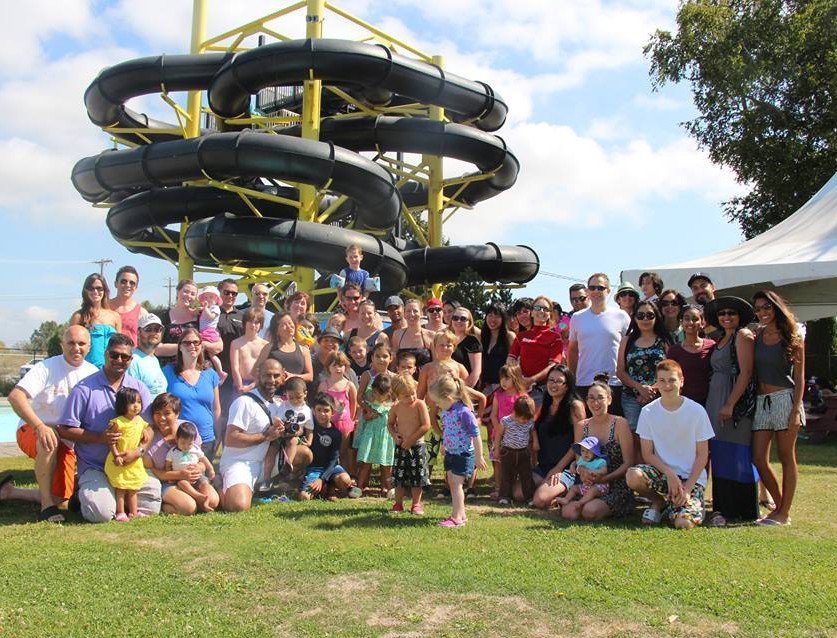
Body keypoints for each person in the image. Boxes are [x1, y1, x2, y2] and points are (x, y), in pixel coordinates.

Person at [57, 333, 160, 523]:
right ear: (106, 354)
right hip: (96, 466)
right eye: (114, 355)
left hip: (130, 466)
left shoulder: (139, 388)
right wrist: (100, 438)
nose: (119, 360)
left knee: (152, 506)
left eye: (125, 357)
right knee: (101, 513)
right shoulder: (85, 389)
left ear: (131, 359)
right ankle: (85, 495)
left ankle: (115, 498)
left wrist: (140, 451)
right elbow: (64, 429)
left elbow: (150, 427)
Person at [4, 326, 97, 522]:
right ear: (62, 344)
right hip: (33, 430)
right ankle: (46, 506)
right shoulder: (46, 368)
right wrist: (40, 426)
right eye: (71, 343)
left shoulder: (93, 373)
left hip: (67, 439)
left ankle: (9, 492)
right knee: (50, 437)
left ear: (89, 347)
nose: (76, 348)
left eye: (81, 344)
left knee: (61, 498)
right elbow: (16, 396)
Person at [627, 359, 714, 530]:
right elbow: (647, 454)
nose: (667, 385)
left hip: (691, 479)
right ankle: (659, 502)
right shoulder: (648, 412)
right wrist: (669, 473)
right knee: (633, 476)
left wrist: (687, 489)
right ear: (656, 383)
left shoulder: (697, 411)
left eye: (672, 380)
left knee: (683, 524)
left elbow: (703, 455)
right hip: (663, 475)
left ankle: (684, 505)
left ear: (681, 381)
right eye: (662, 381)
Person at [219, 359, 311, 512]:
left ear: (283, 377)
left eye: (276, 376)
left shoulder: (280, 404)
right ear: (258, 374)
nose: (272, 380)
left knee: (305, 454)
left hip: (266, 463)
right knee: (238, 506)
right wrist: (265, 436)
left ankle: (270, 487)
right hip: (241, 463)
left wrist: (290, 432)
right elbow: (230, 439)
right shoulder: (244, 402)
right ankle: (219, 484)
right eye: (267, 375)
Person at [751, 290, 805, 526]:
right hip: (762, 402)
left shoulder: (792, 336)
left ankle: (783, 512)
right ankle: (780, 506)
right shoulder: (757, 335)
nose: (762, 312)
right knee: (758, 458)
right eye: (758, 309)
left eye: (766, 307)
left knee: (786, 457)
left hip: (786, 399)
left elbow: (801, 378)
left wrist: (795, 410)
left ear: (776, 308)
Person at [703, 296, 759, 525]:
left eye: (731, 313)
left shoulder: (743, 336)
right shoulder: (720, 338)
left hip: (734, 403)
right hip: (714, 400)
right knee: (720, 454)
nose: (726, 317)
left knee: (738, 454)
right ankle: (723, 507)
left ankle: (744, 509)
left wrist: (730, 404)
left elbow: (746, 373)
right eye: (722, 314)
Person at [555, 381, 635, 522]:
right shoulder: (581, 426)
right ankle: (585, 503)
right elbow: (579, 460)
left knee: (589, 511)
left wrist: (603, 479)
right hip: (588, 484)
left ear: (609, 400)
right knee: (568, 513)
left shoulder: (620, 424)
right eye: (591, 398)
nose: (595, 402)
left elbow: (628, 463)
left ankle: (600, 506)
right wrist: (579, 470)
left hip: (615, 485)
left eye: (600, 397)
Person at [143, 393, 219, 515]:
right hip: (168, 482)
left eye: (167, 413)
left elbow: (200, 458)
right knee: (189, 507)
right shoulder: (150, 437)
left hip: (194, 479)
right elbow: (154, 472)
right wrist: (180, 475)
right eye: (157, 413)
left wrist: (199, 468)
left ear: (177, 414)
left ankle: (194, 499)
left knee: (213, 501)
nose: (161, 418)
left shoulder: (188, 429)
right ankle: (165, 506)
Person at [428, 375, 486, 528]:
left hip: (463, 454)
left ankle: (457, 517)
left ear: (447, 397)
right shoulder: (447, 411)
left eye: (438, 402)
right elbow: (448, 430)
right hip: (451, 452)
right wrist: (444, 444)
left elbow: (476, 435)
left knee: (456, 485)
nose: (437, 406)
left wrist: (479, 457)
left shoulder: (464, 412)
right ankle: (461, 515)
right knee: (453, 483)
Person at [567, 273, 630, 410]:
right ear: (588, 291)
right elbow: (572, 350)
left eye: (600, 288)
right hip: (584, 382)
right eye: (592, 287)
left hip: (613, 383)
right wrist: (572, 379)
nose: (596, 291)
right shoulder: (577, 318)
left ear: (608, 290)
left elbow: (629, 349)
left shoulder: (621, 316)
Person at [530, 365, 586, 508]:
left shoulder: (575, 406)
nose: (553, 385)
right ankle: (554, 493)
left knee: (540, 500)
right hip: (543, 466)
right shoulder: (546, 404)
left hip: (566, 468)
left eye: (558, 381)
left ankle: (568, 493)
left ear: (567, 386)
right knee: (518, 493)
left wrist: (558, 468)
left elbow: (578, 444)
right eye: (550, 380)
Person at [162, 329, 221, 459]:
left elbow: (216, 409)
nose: (192, 346)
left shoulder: (210, 374)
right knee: (183, 478)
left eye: (196, 342)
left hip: (207, 439)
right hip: (180, 440)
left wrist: (219, 435)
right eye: (187, 343)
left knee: (204, 477)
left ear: (201, 346)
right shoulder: (168, 372)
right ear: (180, 347)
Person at [616, 300, 672, 432]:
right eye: (640, 316)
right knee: (635, 435)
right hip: (631, 398)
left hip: (660, 396)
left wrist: (651, 390)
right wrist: (640, 388)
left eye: (649, 315)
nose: (645, 319)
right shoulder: (627, 341)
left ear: (656, 317)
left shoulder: (664, 340)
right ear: (634, 318)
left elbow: (672, 369)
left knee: (659, 434)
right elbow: (620, 372)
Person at [298, 393, 362, 501]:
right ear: (313, 410)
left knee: (345, 481)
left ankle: (329, 487)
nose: (322, 414)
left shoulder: (336, 433)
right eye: (318, 410)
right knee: (304, 497)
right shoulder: (309, 428)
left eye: (326, 410)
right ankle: (327, 490)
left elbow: (333, 460)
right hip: (314, 469)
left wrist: (322, 479)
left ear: (333, 412)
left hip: (331, 468)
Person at [387, 373, 431, 514]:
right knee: (399, 476)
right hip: (401, 447)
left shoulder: (419, 404)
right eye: (406, 395)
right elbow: (390, 424)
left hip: (417, 446)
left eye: (413, 393)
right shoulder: (396, 407)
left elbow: (426, 425)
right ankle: (398, 504)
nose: (411, 397)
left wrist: (411, 440)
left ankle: (416, 504)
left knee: (417, 477)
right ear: (397, 395)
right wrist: (395, 435)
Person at [507, 295, 563, 405]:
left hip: (544, 389)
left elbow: (552, 366)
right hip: (521, 388)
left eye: (546, 309)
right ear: (532, 313)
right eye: (537, 308)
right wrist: (519, 378)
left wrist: (531, 380)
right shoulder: (521, 336)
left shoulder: (555, 337)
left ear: (550, 314)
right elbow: (510, 359)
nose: (541, 311)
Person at [104, 387, 149, 521]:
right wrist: (116, 455)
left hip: (134, 461)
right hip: (121, 461)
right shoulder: (118, 422)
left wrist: (144, 433)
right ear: (123, 405)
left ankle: (134, 512)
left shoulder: (140, 420)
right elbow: (111, 442)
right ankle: (120, 511)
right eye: (132, 403)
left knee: (133, 488)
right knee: (121, 488)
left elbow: (144, 429)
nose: (136, 406)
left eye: (139, 402)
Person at [489, 364, 528, 499]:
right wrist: (498, 428)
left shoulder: (522, 397)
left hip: (517, 436)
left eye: (507, 378)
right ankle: (499, 488)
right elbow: (493, 415)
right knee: (498, 462)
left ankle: (514, 487)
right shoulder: (498, 395)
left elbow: (526, 417)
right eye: (502, 378)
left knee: (516, 463)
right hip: (499, 435)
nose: (503, 382)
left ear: (515, 378)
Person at [70, 273, 122, 368]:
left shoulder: (115, 316)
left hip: (111, 370)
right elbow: (70, 347)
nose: (95, 291)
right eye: (91, 288)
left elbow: (120, 347)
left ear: (105, 290)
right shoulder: (78, 316)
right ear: (86, 291)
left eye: (99, 288)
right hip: (86, 371)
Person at [355, 373, 395, 496]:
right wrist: (369, 415)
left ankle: (388, 487)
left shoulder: (392, 407)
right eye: (375, 392)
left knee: (386, 465)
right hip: (370, 437)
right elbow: (365, 417)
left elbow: (395, 421)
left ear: (388, 393)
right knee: (366, 463)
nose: (376, 395)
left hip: (386, 438)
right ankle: (359, 487)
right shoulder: (370, 405)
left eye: (380, 393)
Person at [667, 305, 715, 405]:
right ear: (681, 322)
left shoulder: (712, 346)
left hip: (709, 401)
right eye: (687, 319)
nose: (690, 323)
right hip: (683, 402)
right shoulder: (674, 350)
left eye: (695, 319)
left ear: (702, 323)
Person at [156, 280, 213, 364]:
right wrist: (187, 347)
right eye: (186, 291)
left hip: (198, 367)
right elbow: (157, 349)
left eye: (193, 294)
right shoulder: (162, 318)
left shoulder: (202, 316)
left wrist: (204, 345)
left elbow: (219, 346)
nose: (189, 296)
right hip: (171, 369)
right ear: (177, 292)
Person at [318, 352, 358, 471]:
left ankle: (345, 474)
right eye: (334, 365)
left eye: (341, 365)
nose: (338, 368)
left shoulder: (349, 385)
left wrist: (351, 418)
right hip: (328, 423)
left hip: (343, 424)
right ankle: (327, 475)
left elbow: (353, 403)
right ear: (328, 367)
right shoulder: (324, 385)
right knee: (327, 450)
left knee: (343, 451)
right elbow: (319, 403)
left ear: (346, 366)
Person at [164, 421, 216, 512]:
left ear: (194, 441)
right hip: (181, 478)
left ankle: (205, 501)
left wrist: (211, 469)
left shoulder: (195, 449)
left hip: (197, 476)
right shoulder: (173, 452)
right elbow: (167, 465)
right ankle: (198, 496)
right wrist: (170, 476)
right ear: (177, 439)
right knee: (182, 483)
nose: (186, 446)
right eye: (183, 443)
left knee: (204, 482)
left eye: (189, 443)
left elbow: (204, 459)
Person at [255, 311, 314, 388]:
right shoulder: (269, 348)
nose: (289, 326)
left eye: (290, 323)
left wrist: (292, 376)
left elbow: (310, 376)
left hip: (296, 395)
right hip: (273, 394)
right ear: (277, 331)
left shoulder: (304, 350)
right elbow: (257, 370)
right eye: (283, 325)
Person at [496, 395, 537, 505]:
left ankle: (530, 497)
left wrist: (536, 443)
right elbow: (499, 435)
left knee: (526, 475)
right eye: (522, 418)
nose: (524, 421)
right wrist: (496, 450)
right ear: (515, 411)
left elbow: (533, 432)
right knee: (506, 475)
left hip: (523, 453)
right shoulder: (506, 421)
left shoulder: (529, 422)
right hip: (507, 452)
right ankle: (504, 496)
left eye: (526, 418)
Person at [555, 436, 610, 508]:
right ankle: (566, 499)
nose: (585, 453)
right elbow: (575, 463)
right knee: (574, 488)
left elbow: (604, 471)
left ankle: (580, 502)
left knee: (592, 490)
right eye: (583, 451)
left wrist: (594, 472)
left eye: (589, 450)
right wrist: (572, 466)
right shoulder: (582, 460)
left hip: (599, 486)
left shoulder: (599, 461)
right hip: (586, 486)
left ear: (595, 452)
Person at [479, 302, 516, 393]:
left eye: (497, 316)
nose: (493, 319)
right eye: (490, 315)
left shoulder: (509, 336)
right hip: (485, 387)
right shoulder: (482, 336)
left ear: (503, 318)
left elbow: (516, 364)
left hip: (503, 388)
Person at [127, 313, 168, 397]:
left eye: (157, 329)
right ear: (138, 332)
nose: (153, 333)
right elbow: (131, 399)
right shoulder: (132, 360)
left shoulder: (154, 359)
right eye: (148, 329)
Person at [229, 308, 268, 396]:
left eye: (257, 322)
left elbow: (265, 369)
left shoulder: (265, 345)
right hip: (240, 383)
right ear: (244, 323)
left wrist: (252, 386)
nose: (253, 325)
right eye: (250, 321)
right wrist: (240, 386)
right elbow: (235, 368)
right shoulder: (236, 343)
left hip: (259, 384)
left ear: (261, 325)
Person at [108, 266, 147, 346]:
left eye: (132, 283)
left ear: (136, 287)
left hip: (131, 357)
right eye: (123, 281)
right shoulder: (104, 307)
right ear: (115, 284)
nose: (128, 285)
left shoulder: (142, 313)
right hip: (105, 356)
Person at [390, 298, 434, 370]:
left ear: (421, 313)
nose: (412, 314)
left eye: (415, 311)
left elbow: (436, 362)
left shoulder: (431, 335)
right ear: (404, 314)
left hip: (425, 379)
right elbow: (394, 362)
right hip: (403, 379)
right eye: (408, 311)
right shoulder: (397, 335)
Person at [197, 286, 228, 383]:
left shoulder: (215, 308)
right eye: (205, 297)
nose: (208, 299)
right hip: (204, 331)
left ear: (216, 299)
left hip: (209, 332)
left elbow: (210, 317)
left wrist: (205, 308)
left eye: (210, 297)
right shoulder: (208, 308)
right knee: (211, 355)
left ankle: (220, 371)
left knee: (203, 349)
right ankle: (220, 372)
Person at [449, 306, 482, 387]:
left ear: (469, 323)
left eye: (463, 319)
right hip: (448, 389)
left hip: (466, 390)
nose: (458, 321)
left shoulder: (472, 341)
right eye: (455, 318)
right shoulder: (447, 338)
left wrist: (465, 390)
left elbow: (476, 371)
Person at [688, 272, 721, 338]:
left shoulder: (726, 309)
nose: (700, 291)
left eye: (703, 286)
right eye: (695, 288)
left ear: (713, 287)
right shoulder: (696, 316)